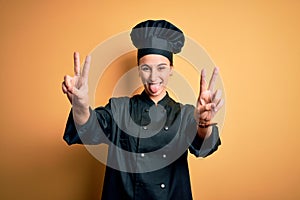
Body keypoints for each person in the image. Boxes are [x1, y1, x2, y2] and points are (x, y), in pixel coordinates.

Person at [62, 20, 224, 200]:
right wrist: (80, 105)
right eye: (146, 68)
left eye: (161, 68)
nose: (154, 77)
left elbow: (204, 146)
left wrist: (203, 122)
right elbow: (90, 128)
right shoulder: (119, 109)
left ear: (171, 70)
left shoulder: (185, 114)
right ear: (139, 70)